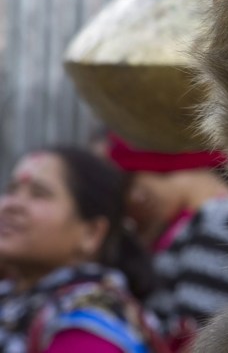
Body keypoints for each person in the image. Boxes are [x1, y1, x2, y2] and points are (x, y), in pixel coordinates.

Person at [106, 134, 228, 351]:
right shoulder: (215, 221)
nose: (134, 198)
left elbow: (196, 338)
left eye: (131, 183)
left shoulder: (217, 220)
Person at [0, 146, 168, 353]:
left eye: (39, 194)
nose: (11, 205)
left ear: (91, 233)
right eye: (11, 190)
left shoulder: (87, 325)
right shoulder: (12, 302)